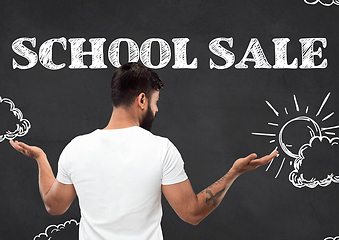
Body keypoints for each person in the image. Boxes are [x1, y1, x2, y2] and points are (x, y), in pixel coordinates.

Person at [10, 62, 278, 240]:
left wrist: (41, 159)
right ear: (141, 100)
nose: (157, 109)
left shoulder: (76, 147)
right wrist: (232, 174)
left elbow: (54, 206)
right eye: (155, 102)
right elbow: (192, 213)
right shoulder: (160, 149)